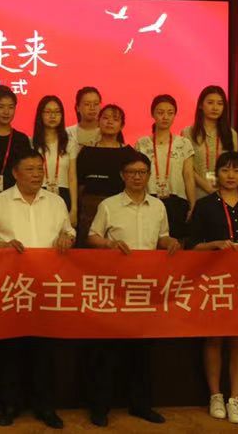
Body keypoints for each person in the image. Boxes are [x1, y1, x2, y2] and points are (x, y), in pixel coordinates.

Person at [0, 149, 75, 430]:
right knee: (10, 351)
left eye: (39, 169)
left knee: (44, 351)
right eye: (30, 169)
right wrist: (2, 246)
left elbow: (68, 231)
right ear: (15, 173)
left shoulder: (56, 202)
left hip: (46, 286)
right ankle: (9, 405)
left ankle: (45, 406)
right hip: (12, 288)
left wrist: (67, 238)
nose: (36, 174)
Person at [86, 151, 180, 428]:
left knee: (142, 352)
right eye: (131, 172)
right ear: (122, 176)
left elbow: (162, 237)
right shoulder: (109, 205)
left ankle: (141, 405)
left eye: (142, 172)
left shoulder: (158, 206)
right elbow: (92, 236)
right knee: (107, 351)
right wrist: (109, 244)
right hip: (115, 287)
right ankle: (100, 407)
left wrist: (170, 243)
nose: (137, 177)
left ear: (149, 175)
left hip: (145, 288)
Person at [187, 152, 238, 425]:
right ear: (216, 174)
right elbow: (191, 247)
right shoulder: (205, 205)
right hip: (215, 281)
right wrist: (214, 245)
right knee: (214, 338)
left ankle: (235, 398)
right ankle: (215, 395)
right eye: (225, 170)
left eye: (236, 170)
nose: (231, 176)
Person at [135, 95, 196, 239]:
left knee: (176, 243)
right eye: (160, 112)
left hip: (177, 202)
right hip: (148, 199)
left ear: (175, 115)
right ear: (153, 114)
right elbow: (136, 175)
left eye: (170, 113)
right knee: (149, 241)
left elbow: (188, 176)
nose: (165, 117)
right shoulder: (142, 143)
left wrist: (193, 204)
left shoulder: (183, 143)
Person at [75, 104, 135, 246]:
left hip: (120, 209)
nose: (109, 122)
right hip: (90, 209)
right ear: (98, 122)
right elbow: (80, 185)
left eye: (115, 119)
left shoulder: (130, 153)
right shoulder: (86, 151)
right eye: (105, 118)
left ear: (122, 125)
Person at [182, 85, 238, 199]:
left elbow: (233, 166)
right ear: (201, 105)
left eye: (220, 103)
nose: (215, 107)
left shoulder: (231, 134)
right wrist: (205, 186)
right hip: (196, 192)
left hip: (224, 192)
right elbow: (187, 169)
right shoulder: (187, 133)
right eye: (210, 102)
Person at [32, 95, 78, 226]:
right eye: (48, 112)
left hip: (63, 194)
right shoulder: (32, 143)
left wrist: (74, 209)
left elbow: (72, 178)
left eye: (57, 112)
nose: (53, 116)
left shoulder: (70, 142)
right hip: (38, 193)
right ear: (40, 115)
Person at [66, 86, 102, 150]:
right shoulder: (68, 133)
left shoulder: (108, 132)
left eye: (96, 104)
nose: (92, 108)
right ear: (78, 108)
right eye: (87, 104)